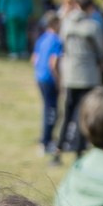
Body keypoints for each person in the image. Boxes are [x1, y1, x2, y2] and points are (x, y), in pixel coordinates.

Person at [56, 0, 103, 158]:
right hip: (88, 76)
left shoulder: (66, 23)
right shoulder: (94, 26)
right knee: (82, 114)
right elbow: (101, 51)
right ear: (90, 6)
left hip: (70, 75)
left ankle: (58, 149)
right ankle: (78, 150)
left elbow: (61, 44)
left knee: (67, 112)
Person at [31, 11, 64, 157]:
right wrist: (59, 80)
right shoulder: (56, 40)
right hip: (50, 80)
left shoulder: (41, 39)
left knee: (47, 109)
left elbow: (34, 59)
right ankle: (46, 142)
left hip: (40, 78)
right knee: (51, 111)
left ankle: (46, 139)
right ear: (55, 24)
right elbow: (53, 62)